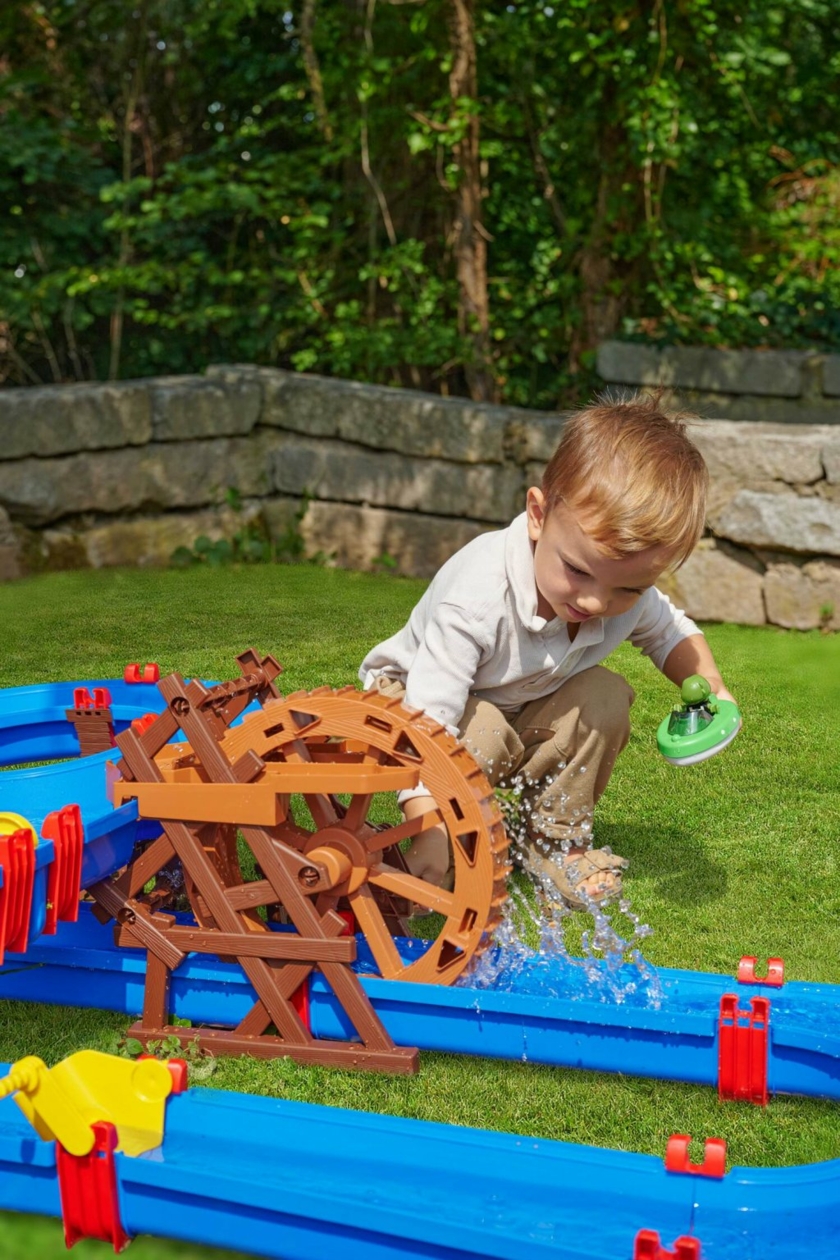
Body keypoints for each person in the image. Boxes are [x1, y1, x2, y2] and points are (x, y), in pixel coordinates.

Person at [358, 393, 736, 908]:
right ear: (538, 514)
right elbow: (431, 721)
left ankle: (554, 843)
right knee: (485, 729)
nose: (595, 601)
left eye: (627, 590)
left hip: (509, 702)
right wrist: (428, 823)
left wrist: (712, 688)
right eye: (578, 571)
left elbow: (670, 632)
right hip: (412, 702)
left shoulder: (620, 595)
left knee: (602, 696)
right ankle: (431, 843)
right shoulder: (477, 598)